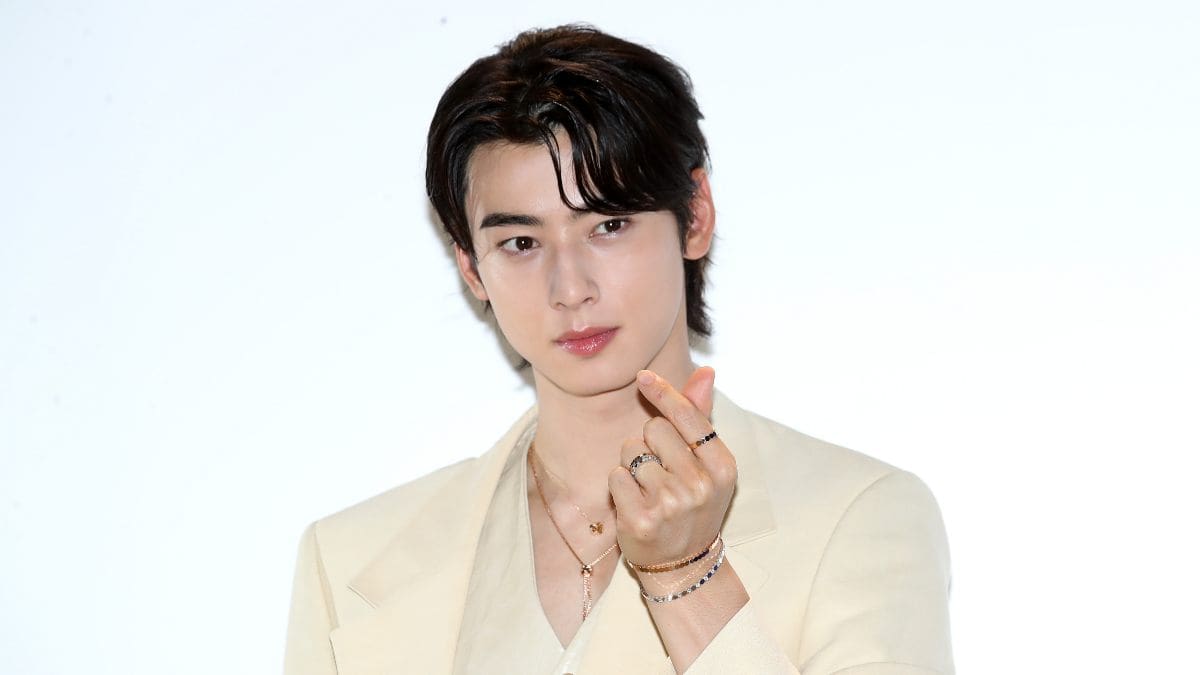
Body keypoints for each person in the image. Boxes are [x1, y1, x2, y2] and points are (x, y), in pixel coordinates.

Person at [285, 24, 953, 674]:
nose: (570, 288)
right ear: (470, 266)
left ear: (695, 214)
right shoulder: (346, 561)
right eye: (521, 242)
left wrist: (688, 577)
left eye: (609, 225)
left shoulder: (861, 517)